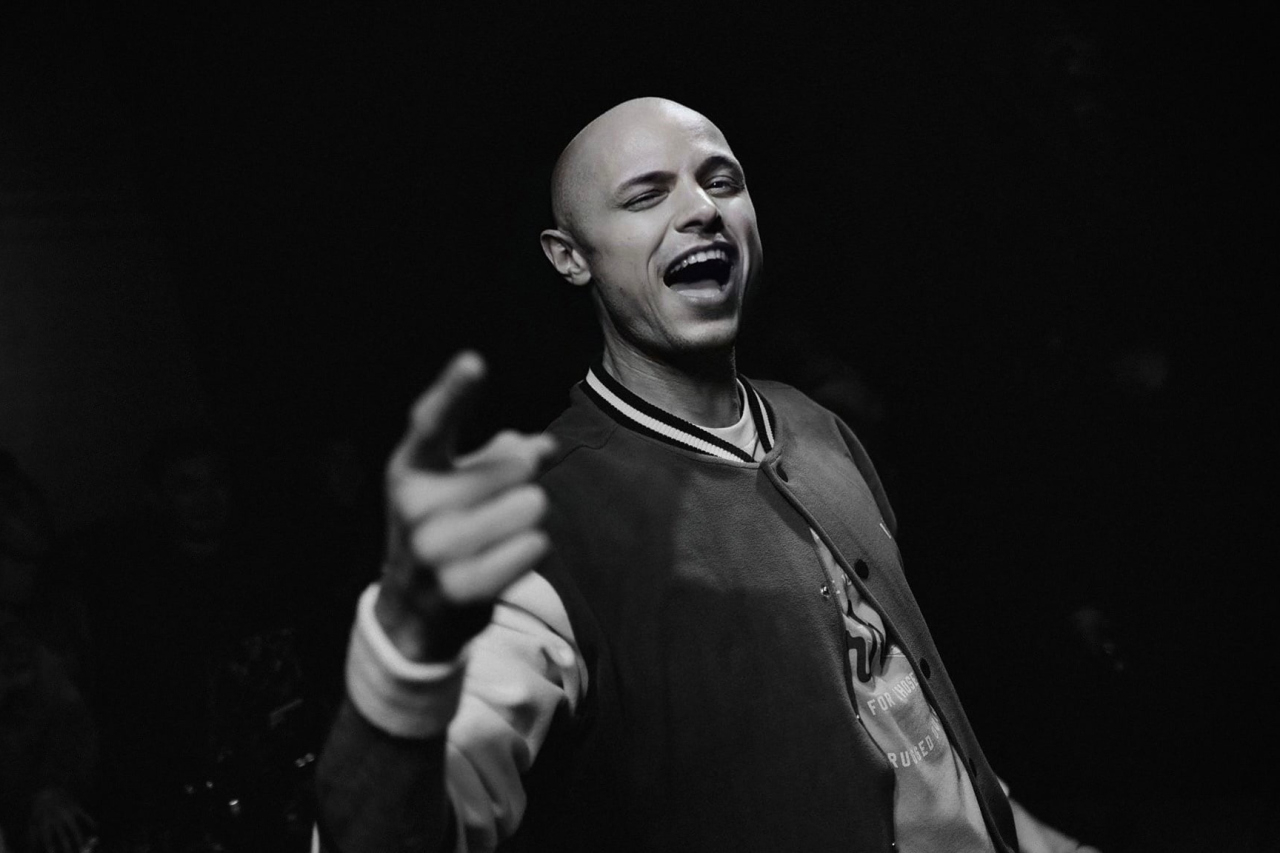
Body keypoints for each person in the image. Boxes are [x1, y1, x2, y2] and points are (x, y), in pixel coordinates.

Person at [315, 97, 1100, 852]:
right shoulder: (543, 526)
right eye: (645, 196)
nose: (702, 209)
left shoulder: (817, 426)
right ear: (570, 257)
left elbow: (914, 722)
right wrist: (404, 658)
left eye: (721, 181)